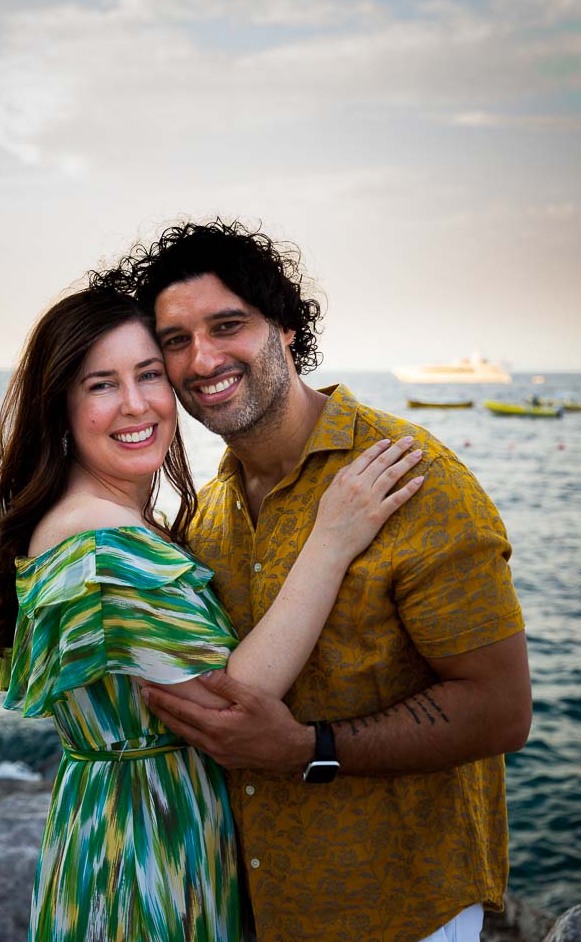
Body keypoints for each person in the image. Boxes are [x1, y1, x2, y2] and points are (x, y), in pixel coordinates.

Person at [92, 219, 533, 942]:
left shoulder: (410, 477)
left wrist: (308, 749)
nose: (203, 359)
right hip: (256, 907)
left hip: (397, 909)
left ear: (287, 328)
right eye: (175, 341)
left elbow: (500, 709)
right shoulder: (211, 508)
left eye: (226, 325)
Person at [0, 285, 423, 942]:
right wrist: (332, 539)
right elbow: (230, 703)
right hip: (147, 857)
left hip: (123, 826)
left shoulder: (104, 520)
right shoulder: (102, 544)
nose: (136, 404)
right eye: (101, 384)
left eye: (149, 374)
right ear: (60, 408)